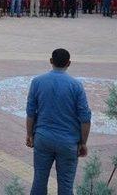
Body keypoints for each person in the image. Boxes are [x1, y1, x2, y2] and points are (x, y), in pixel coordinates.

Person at [26, 48, 92, 195]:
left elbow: (30, 112)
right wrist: (83, 143)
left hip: (43, 138)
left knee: (39, 181)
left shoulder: (37, 82)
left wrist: (30, 134)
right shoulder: (76, 86)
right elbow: (85, 119)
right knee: (66, 186)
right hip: (68, 142)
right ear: (69, 63)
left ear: (51, 61)